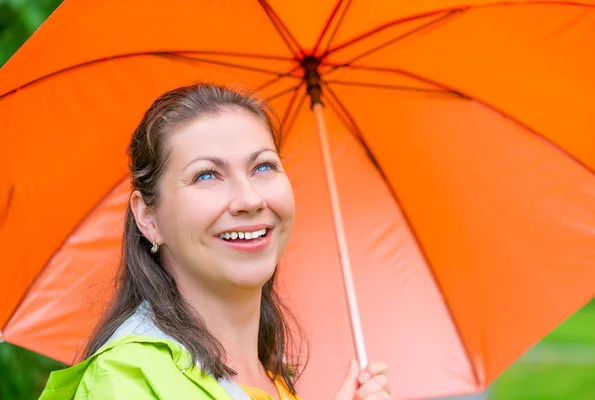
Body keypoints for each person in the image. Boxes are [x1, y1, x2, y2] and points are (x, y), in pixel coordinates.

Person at [39, 83, 391, 399]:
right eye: (207, 174)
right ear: (148, 217)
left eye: (263, 167)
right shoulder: (126, 382)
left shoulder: (274, 381)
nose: (250, 200)